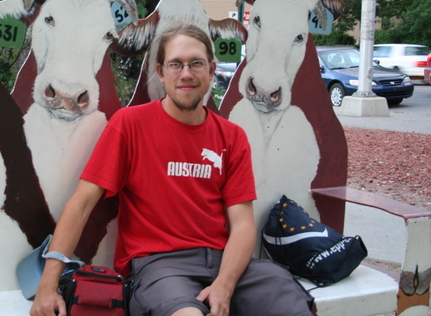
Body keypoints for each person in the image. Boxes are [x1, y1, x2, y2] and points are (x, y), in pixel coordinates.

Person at [30, 22, 314, 316]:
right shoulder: (130, 125)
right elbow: (81, 203)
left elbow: (242, 225)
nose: (186, 74)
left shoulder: (232, 137)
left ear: (212, 70)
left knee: (290, 303)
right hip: (159, 267)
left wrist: (224, 285)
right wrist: (48, 285)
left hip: (225, 264)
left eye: (196, 63)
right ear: (161, 72)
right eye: (176, 64)